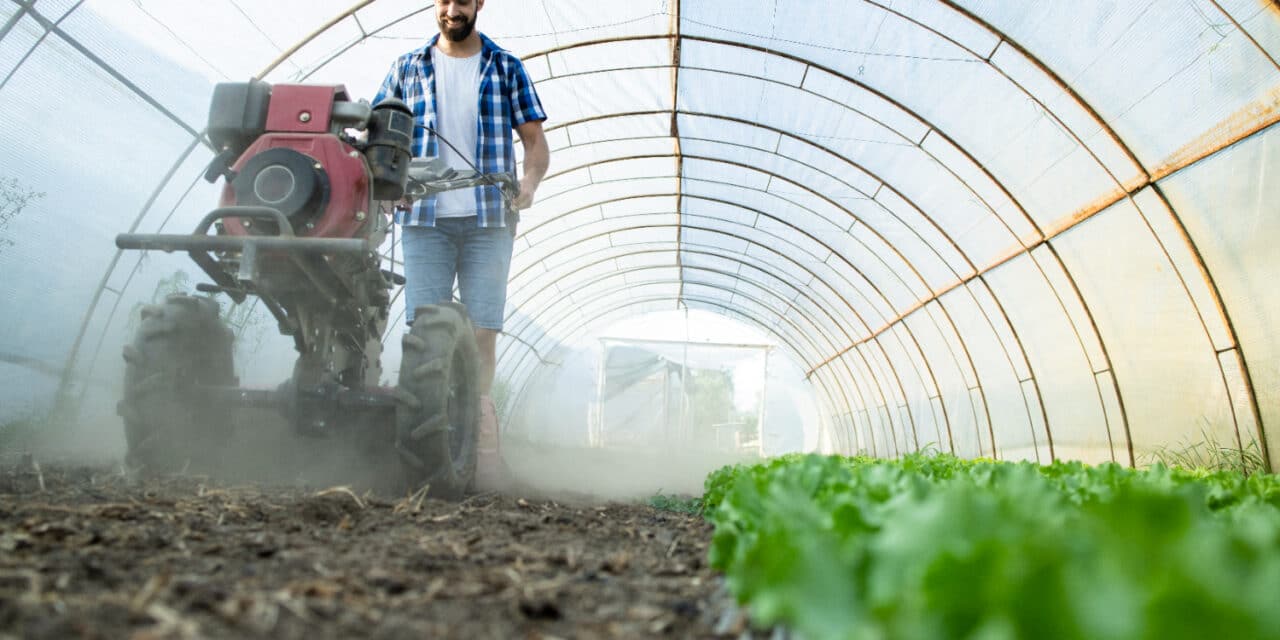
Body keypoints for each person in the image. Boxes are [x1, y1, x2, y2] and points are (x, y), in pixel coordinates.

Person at [374, 0, 549, 490]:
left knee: (480, 333)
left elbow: (535, 143)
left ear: (479, 5)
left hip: (490, 218)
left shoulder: (506, 68)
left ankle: (475, 444)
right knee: (425, 331)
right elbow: (379, 140)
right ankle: (426, 439)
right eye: (445, 0)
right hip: (424, 217)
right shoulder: (406, 69)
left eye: (463, 1)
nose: (453, 9)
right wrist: (385, 188)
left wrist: (529, 186)